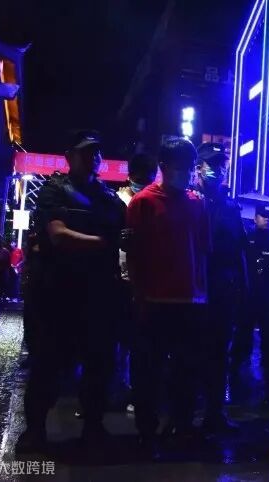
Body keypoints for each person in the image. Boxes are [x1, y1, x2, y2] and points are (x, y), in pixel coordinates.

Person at [18, 131, 126, 451]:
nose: (94, 158)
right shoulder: (54, 190)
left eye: (97, 152)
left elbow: (126, 235)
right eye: (86, 152)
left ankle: (93, 428)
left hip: (97, 295)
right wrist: (104, 243)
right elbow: (58, 235)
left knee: (98, 365)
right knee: (47, 363)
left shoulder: (109, 198)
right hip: (56, 293)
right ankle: (35, 430)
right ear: (70, 157)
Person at [126, 137, 211, 453]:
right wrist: (139, 295)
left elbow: (203, 252)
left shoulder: (197, 203)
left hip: (191, 302)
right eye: (181, 167)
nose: (187, 173)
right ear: (163, 166)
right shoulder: (143, 203)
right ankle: (147, 431)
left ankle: (182, 426)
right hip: (154, 302)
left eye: (190, 167)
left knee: (186, 372)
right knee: (149, 370)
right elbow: (133, 254)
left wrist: (203, 295)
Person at [195, 142, 248, 413]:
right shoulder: (188, 200)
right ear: (198, 168)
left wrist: (244, 289)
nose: (219, 170)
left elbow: (239, 249)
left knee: (219, 353)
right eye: (214, 165)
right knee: (190, 354)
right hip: (191, 290)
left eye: (223, 165)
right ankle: (184, 416)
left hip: (221, 290)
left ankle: (214, 413)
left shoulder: (230, 206)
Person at [116, 152, 158, 414]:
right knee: (120, 341)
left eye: (149, 177)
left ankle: (137, 392)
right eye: (140, 177)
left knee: (142, 342)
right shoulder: (117, 201)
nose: (144, 182)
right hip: (121, 281)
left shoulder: (157, 203)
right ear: (130, 175)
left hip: (149, 282)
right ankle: (118, 390)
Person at [246, 203, 269, 406]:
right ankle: (239, 370)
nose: (267, 219)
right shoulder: (248, 237)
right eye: (263, 216)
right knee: (244, 334)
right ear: (255, 218)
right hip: (250, 293)